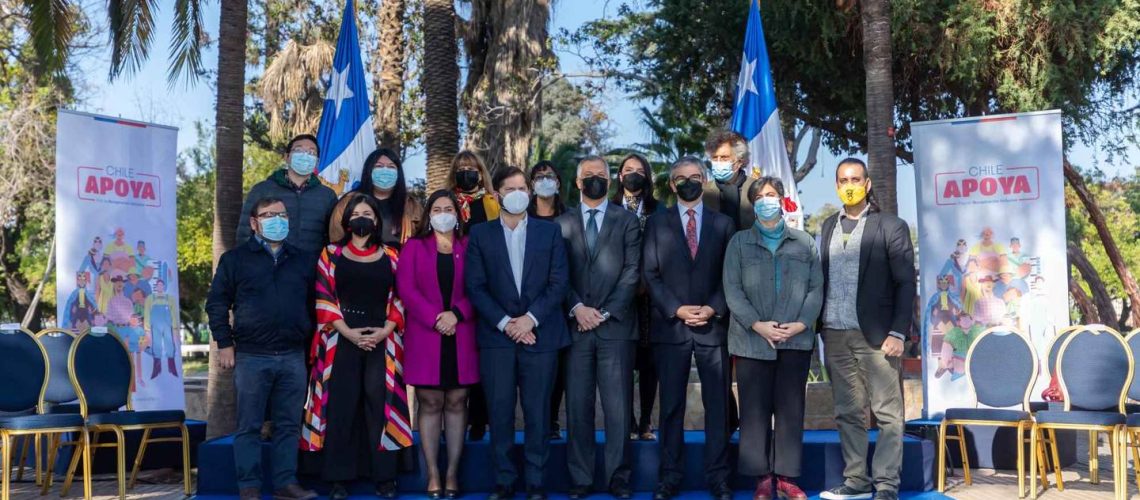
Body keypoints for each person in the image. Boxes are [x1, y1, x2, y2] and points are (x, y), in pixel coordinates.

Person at [465, 167, 569, 500]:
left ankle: (536, 483)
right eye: (510, 187)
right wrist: (507, 323)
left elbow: (558, 283)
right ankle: (505, 480)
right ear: (496, 194)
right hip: (497, 339)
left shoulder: (549, 233)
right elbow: (476, 287)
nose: (518, 192)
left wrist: (530, 319)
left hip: (541, 336)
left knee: (538, 413)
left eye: (523, 186)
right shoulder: (480, 235)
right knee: (500, 410)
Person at [206, 197, 319, 500]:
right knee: (249, 427)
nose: (277, 220)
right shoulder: (235, 260)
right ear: (254, 222)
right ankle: (250, 488)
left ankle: (285, 483)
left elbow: (315, 306)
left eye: (281, 215)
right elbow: (216, 304)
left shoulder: (303, 259)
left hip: (293, 356)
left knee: (288, 425)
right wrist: (225, 344)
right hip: (251, 356)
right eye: (269, 215)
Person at [300, 194, 410, 499]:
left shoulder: (392, 255)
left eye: (369, 213)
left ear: (376, 221)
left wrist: (384, 330)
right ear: (347, 220)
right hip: (340, 340)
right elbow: (323, 296)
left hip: (383, 340)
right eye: (357, 213)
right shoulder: (330, 253)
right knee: (341, 406)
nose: (363, 218)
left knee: (381, 407)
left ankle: (385, 477)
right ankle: (337, 478)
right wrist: (349, 333)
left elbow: (402, 297)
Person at [818, 158, 916, 500]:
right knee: (847, 412)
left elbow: (905, 283)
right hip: (834, 334)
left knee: (888, 413)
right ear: (836, 185)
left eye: (855, 179)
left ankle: (887, 484)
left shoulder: (891, 226)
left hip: (877, 337)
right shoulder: (827, 225)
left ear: (868, 184)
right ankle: (856, 481)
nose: (849, 185)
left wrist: (898, 332)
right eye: (843, 179)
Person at [723, 177, 823, 500]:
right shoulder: (738, 243)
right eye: (760, 196)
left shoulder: (804, 242)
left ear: (782, 199)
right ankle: (762, 478)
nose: (767, 199)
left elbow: (816, 287)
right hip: (752, 341)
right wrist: (757, 324)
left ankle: (788, 477)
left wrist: (801, 323)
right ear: (752, 203)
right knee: (754, 411)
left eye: (772, 194)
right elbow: (732, 290)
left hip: (795, 340)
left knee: (790, 410)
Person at [642, 157, 736, 500]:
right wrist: (676, 309)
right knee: (670, 407)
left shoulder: (724, 224)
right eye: (681, 179)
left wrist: (713, 307)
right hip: (671, 328)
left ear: (704, 180)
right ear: (671, 184)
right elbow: (649, 273)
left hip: (713, 327)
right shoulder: (656, 223)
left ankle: (719, 478)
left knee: (718, 406)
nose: (688, 183)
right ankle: (669, 476)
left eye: (695, 177)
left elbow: (732, 276)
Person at [556, 156, 641, 499]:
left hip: (615, 328)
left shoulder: (627, 221)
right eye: (588, 176)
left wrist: (603, 313)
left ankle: (619, 478)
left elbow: (632, 272)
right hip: (576, 328)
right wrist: (577, 308)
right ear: (577, 183)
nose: (595, 180)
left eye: (601, 175)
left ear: (611, 181)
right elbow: (556, 275)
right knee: (577, 406)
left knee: (618, 408)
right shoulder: (560, 224)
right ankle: (581, 479)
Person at [397, 190, 480, 499]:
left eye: (449, 208)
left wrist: (457, 314)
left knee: (458, 401)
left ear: (458, 215)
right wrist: (436, 317)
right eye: (437, 208)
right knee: (430, 402)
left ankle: (452, 474)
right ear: (428, 215)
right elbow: (407, 289)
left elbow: (481, 286)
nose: (443, 213)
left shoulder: (470, 247)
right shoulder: (414, 248)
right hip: (426, 334)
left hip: (463, 333)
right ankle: (432, 474)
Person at [446, 150, 499, 440]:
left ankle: (480, 420)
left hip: (485, 286)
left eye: (473, 168)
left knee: (481, 356)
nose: (467, 172)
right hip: (451, 284)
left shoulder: (491, 204)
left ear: (481, 173)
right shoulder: (446, 202)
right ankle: (453, 420)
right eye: (462, 167)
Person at [611, 153, 663, 441]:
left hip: (650, 296)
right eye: (627, 170)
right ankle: (628, 420)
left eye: (639, 170)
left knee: (648, 361)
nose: (633, 174)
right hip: (618, 294)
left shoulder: (659, 210)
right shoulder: (610, 208)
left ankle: (645, 419)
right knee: (622, 360)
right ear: (619, 176)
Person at [235, 134, 338, 254]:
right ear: (287, 157)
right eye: (299, 150)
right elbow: (244, 232)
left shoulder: (327, 196)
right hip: (269, 266)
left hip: (312, 268)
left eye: (311, 152)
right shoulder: (262, 190)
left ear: (317, 162)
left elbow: (334, 236)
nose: (305, 155)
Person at [528, 160, 569, 438]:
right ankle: (536, 422)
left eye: (550, 176)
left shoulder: (569, 218)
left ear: (558, 183)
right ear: (531, 184)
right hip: (528, 306)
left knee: (558, 368)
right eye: (539, 176)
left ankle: (552, 420)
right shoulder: (522, 218)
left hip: (562, 302)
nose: (545, 180)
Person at [328, 148, 422, 248]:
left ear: (398, 173)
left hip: (401, 262)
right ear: (369, 171)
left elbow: (423, 243)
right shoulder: (348, 202)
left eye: (391, 167)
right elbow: (336, 239)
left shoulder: (411, 206)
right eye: (379, 166)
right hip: (357, 261)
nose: (385, 171)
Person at [702, 129, 759, 231]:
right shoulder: (702, 192)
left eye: (724, 157)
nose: (718, 162)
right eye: (715, 158)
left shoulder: (757, 188)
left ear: (739, 161)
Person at [447, 150, 501, 231]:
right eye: (461, 170)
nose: (465, 173)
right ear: (455, 175)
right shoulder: (448, 200)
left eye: (470, 169)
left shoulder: (493, 202)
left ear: (480, 175)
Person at [144, 279, 178, 379]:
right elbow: (147, 312)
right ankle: (156, 369)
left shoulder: (170, 298)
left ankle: (172, 368)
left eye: (161, 285)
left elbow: (173, 314)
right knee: (156, 345)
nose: (159, 287)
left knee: (170, 345)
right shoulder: (150, 298)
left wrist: (175, 327)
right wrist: (147, 328)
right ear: (156, 287)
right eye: (158, 285)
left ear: (164, 286)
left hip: (167, 325)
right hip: (155, 326)